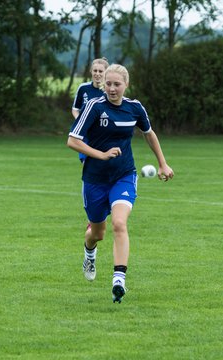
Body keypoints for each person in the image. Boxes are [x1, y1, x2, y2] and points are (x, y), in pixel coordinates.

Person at [67, 64, 174, 304]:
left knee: (119, 223)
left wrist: (163, 163)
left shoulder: (134, 108)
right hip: (94, 179)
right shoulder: (94, 107)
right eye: (108, 84)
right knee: (97, 233)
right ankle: (89, 252)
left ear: (126, 85)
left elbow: (149, 133)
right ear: (103, 84)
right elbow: (72, 141)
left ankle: (119, 280)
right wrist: (101, 154)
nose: (112, 88)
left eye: (117, 84)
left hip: (124, 175)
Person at [72, 58, 109, 163]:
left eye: (100, 71)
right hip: (85, 135)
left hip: (103, 135)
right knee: (87, 164)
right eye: (95, 71)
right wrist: (81, 121)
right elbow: (75, 109)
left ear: (106, 72)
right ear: (91, 71)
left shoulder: (109, 91)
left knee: (104, 164)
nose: (97, 74)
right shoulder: (83, 88)